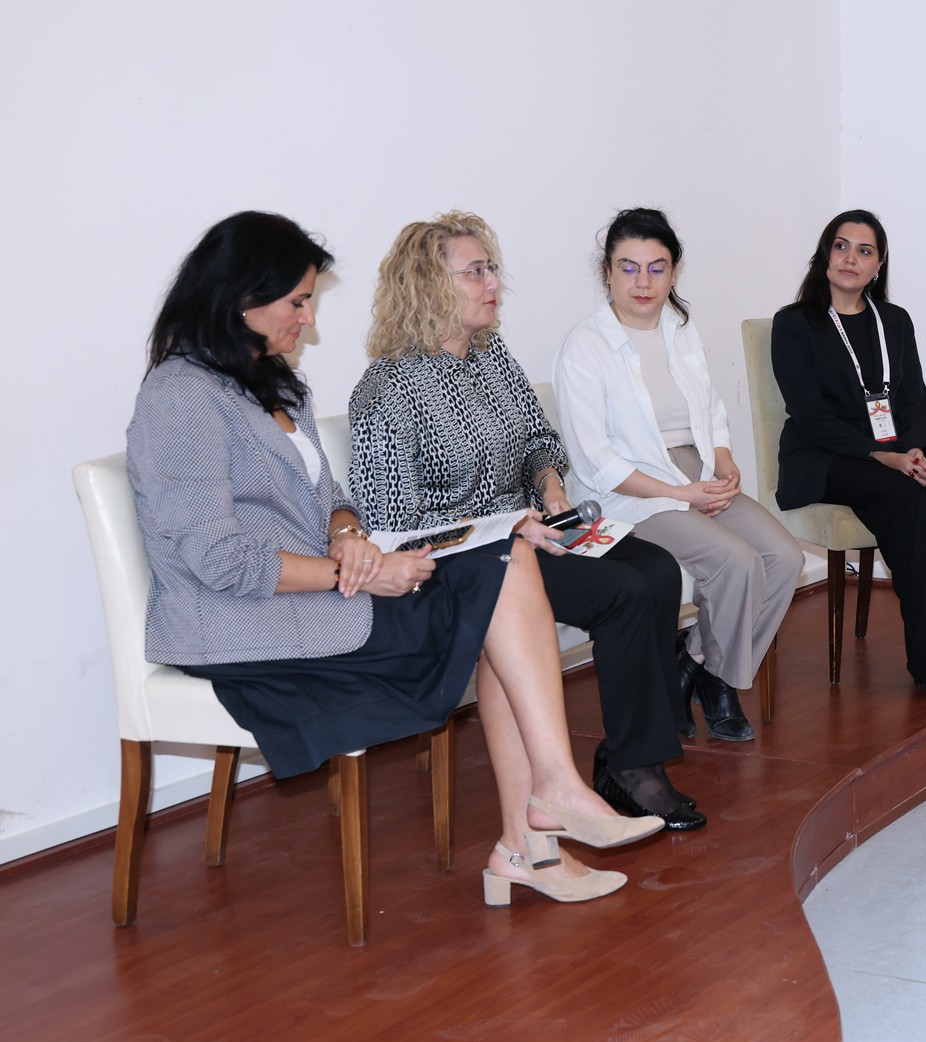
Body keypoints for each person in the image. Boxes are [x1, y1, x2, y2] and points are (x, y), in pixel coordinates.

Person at [127, 211, 660, 909]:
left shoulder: (274, 382)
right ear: (241, 297)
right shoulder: (180, 396)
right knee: (498, 585)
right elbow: (219, 559)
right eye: (298, 301)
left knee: (503, 573)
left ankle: (536, 831)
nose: (310, 318)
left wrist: (348, 532)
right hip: (241, 625)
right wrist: (361, 569)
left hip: (320, 592)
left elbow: (332, 498)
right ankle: (535, 829)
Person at [348, 211, 705, 832]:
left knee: (654, 567)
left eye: (491, 269)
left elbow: (539, 438)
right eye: (476, 272)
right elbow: (392, 523)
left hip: (529, 533)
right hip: (459, 562)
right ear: (427, 285)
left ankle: (635, 750)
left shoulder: (491, 358)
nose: (494, 283)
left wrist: (549, 484)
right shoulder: (388, 389)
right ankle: (633, 769)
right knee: (622, 590)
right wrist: (508, 527)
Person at [555, 208, 799, 742]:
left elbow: (711, 410)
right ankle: (722, 683)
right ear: (607, 272)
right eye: (628, 267)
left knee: (784, 557)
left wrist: (724, 460)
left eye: (656, 268)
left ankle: (700, 666)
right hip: (628, 490)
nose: (642, 282)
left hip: (693, 466)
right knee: (735, 561)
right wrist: (679, 493)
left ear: (673, 272)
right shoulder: (585, 347)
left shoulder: (679, 329)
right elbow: (595, 461)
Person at [771, 209, 926, 700]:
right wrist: (882, 456)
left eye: (864, 251)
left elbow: (913, 396)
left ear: (878, 264)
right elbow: (809, 415)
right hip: (824, 455)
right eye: (841, 246)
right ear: (825, 254)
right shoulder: (794, 324)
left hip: (894, 448)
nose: (851, 258)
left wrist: (913, 448)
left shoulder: (893, 320)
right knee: (905, 500)